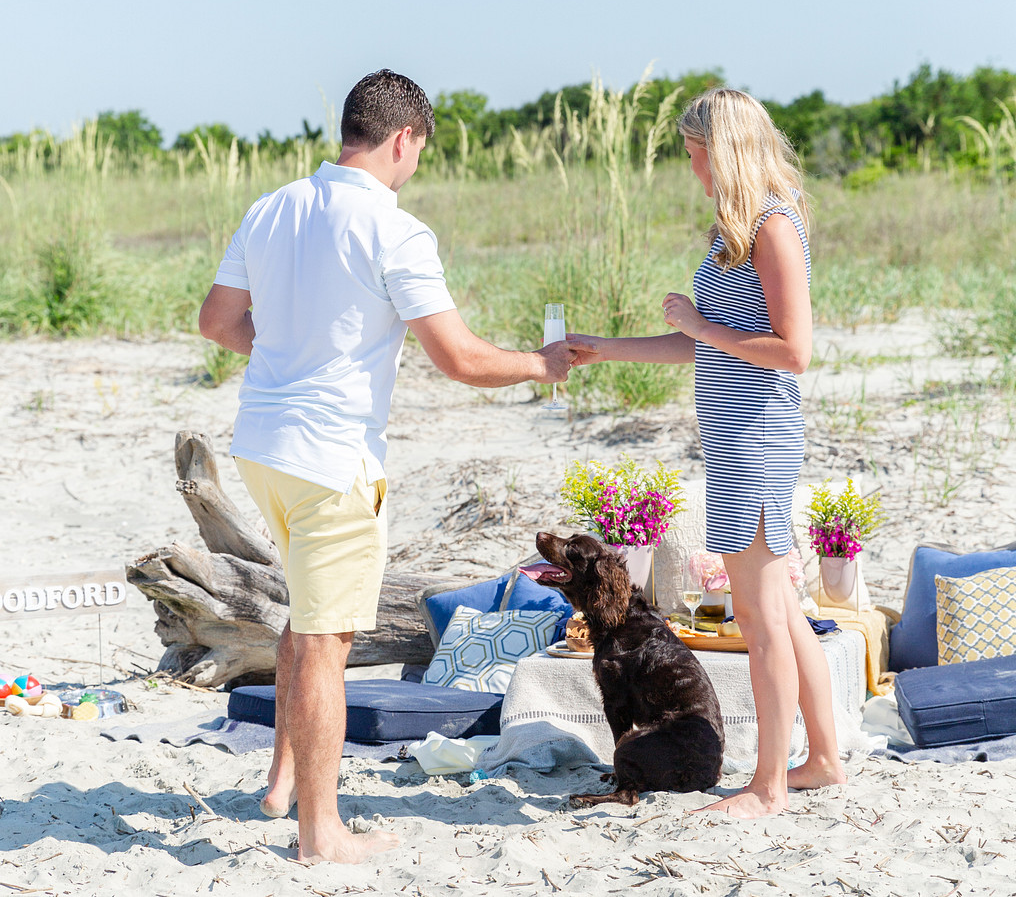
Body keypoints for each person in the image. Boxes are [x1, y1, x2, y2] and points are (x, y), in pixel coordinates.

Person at [198, 69, 573, 864]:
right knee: (329, 642)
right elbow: (462, 359)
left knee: (306, 615)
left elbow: (218, 320)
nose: (414, 168)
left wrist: (294, 356)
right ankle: (321, 832)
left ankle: (281, 785)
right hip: (333, 458)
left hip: (263, 444)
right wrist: (543, 367)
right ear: (403, 139)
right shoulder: (394, 228)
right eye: (418, 153)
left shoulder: (272, 206)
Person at [568, 87, 845, 818]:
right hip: (732, 441)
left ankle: (770, 786)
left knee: (759, 619)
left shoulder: (775, 226)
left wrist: (699, 321)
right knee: (780, 609)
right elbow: (698, 342)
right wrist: (603, 350)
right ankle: (822, 758)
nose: (694, 172)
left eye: (697, 157)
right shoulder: (734, 228)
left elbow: (794, 350)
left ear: (725, 152)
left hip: (758, 439)